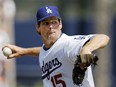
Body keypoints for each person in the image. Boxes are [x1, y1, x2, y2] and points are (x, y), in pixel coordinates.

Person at [3, 6, 110, 87]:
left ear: (60, 24)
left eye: (54, 22)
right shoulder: (49, 49)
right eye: (45, 23)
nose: (51, 27)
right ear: (37, 27)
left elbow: (103, 38)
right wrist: (24, 51)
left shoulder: (69, 44)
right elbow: (48, 52)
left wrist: (87, 48)